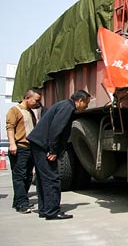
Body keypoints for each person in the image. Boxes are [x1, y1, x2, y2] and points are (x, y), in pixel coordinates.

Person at [27, 90, 91, 220]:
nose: (86, 107)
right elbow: (56, 129)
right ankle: (52, 211)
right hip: (43, 146)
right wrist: (53, 150)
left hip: (38, 144)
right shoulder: (67, 107)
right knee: (52, 178)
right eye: (86, 103)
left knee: (42, 178)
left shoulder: (64, 105)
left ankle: (44, 209)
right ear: (79, 101)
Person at [6, 88, 42, 213]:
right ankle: (22, 204)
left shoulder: (30, 112)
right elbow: (10, 128)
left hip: (30, 148)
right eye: (36, 100)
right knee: (19, 176)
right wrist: (12, 144)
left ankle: (18, 202)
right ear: (27, 98)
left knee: (28, 176)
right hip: (19, 147)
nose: (37, 103)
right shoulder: (14, 111)